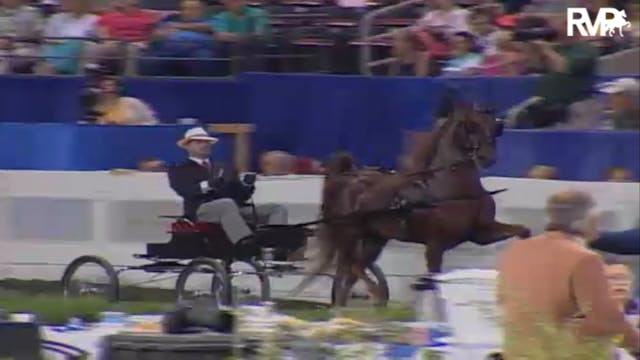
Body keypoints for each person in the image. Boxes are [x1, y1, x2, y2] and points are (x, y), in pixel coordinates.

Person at [497, 190, 640, 358]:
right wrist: (636, 345)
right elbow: (605, 321)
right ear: (590, 219)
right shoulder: (584, 259)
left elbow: (502, 299)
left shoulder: (515, 250)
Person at [167, 127, 288, 256]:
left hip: (231, 208)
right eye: (199, 142)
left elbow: (241, 196)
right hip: (201, 209)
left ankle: (276, 248)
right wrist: (209, 185)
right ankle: (244, 243)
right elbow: (186, 191)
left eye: (206, 142)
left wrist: (247, 185)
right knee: (226, 204)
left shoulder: (223, 168)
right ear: (187, 146)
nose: (204, 145)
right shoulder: (180, 169)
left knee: (276, 209)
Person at [91, 76, 158, 125]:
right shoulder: (95, 110)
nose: (108, 91)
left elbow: (153, 122)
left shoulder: (133, 103)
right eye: (103, 88)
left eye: (111, 87)